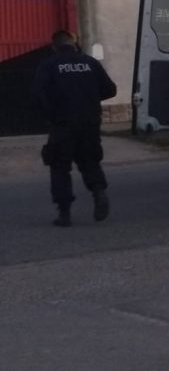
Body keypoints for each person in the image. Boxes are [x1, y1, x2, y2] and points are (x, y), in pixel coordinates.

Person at [31, 30, 117, 226]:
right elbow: (110, 89)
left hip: (62, 124)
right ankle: (99, 192)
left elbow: (37, 94)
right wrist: (90, 99)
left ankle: (64, 213)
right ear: (75, 43)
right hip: (90, 123)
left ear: (54, 47)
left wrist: (50, 113)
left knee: (59, 166)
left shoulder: (49, 65)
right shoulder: (90, 63)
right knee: (90, 161)